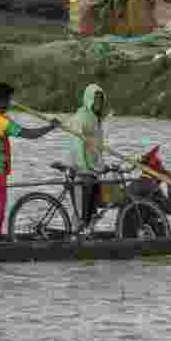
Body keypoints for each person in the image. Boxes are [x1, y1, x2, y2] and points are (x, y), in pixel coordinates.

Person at [0, 82, 60, 246]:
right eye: (10, 100)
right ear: (2, 101)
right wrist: (50, 127)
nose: (12, 104)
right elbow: (29, 134)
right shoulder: (0, 121)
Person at [69, 83, 108, 235]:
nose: (98, 103)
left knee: (92, 205)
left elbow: (98, 146)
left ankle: (86, 231)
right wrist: (83, 166)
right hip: (80, 169)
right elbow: (78, 143)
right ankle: (76, 233)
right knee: (82, 207)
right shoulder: (81, 117)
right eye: (95, 99)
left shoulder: (96, 119)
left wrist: (101, 165)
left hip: (92, 169)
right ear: (88, 99)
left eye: (101, 100)